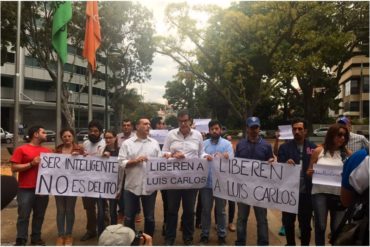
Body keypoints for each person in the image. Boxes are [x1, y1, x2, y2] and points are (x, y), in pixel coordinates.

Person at [162, 109, 205, 246]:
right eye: (181, 121)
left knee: (189, 211)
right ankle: (170, 238)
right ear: (178, 121)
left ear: (190, 121)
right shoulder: (171, 134)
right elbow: (163, 153)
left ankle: (188, 238)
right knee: (171, 210)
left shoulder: (198, 135)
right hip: (173, 180)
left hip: (191, 182)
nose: (183, 123)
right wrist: (173, 155)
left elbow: (201, 154)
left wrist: (206, 157)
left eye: (186, 120)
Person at [306, 123, 352, 245]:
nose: (342, 138)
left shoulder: (346, 154)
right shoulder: (318, 151)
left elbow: (353, 173)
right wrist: (311, 172)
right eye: (339, 135)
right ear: (331, 135)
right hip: (319, 193)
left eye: (345, 136)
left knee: (337, 228)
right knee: (320, 226)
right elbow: (308, 171)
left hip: (339, 195)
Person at [118, 117, 161, 237]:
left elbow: (160, 162)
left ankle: (148, 241)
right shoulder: (127, 144)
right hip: (131, 186)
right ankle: (132, 241)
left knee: (150, 217)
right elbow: (121, 162)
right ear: (137, 127)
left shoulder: (154, 143)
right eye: (145, 124)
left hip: (149, 187)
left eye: (149, 124)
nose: (148, 126)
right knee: (129, 217)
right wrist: (135, 161)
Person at [234, 117, 274, 246]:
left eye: (256, 127)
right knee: (241, 218)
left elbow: (271, 162)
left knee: (262, 219)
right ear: (247, 128)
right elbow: (235, 165)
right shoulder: (240, 145)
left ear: (259, 128)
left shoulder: (267, 146)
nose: (254, 130)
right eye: (251, 127)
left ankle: (263, 243)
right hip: (243, 188)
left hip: (260, 189)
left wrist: (272, 162)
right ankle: (240, 242)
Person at [277, 118, 317, 245]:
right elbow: (279, 165)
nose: (297, 131)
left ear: (305, 131)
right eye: (294, 129)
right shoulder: (284, 147)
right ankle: (290, 244)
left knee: (305, 225)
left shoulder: (314, 148)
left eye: (300, 129)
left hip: (306, 193)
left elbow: (319, 167)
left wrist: (314, 170)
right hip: (289, 193)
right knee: (288, 223)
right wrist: (285, 163)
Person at [10, 125, 51, 246]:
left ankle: (36, 238)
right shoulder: (21, 149)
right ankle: (21, 239)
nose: (46, 134)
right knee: (23, 215)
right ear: (36, 134)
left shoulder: (48, 151)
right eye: (43, 132)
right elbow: (14, 167)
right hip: (25, 189)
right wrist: (31, 164)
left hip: (43, 189)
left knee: (39, 215)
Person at [199, 120, 233, 245]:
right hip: (206, 184)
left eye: (217, 128)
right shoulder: (203, 144)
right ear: (209, 130)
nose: (214, 131)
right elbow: (199, 156)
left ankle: (222, 236)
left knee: (221, 211)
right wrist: (204, 156)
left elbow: (233, 161)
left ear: (220, 130)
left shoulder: (227, 144)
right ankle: (204, 235)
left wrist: (226, 157)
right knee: (206, 210)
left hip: (221, 184)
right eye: (212, 129)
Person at [54, 128, 84, 246]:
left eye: (69, 136)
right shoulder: (57, 150)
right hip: (58, 185)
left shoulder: (79, 149)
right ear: (61, 137)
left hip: (73, 185)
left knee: (70, 210)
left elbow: (87, 165)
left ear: (73, 137)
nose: (67, 138)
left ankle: (69, 235)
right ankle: (61, 235)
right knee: (60, 210)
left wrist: (82, 156)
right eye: (65, 136)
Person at [80, 120, 106, 241]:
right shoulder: (85, 143)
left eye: (96, 131)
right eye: (91, 130)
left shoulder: (106, 143)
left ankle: (105, 230)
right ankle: (91, 230)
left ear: (100, 132)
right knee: (89, 208)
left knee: (103, 209)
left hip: (102, 181)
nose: (93, 133)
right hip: (87, 181)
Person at [97, 130, 120, 237]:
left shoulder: (120, 151)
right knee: (101, 212)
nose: (108, 140)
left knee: (112, 211)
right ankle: (101, 234)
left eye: (110, 137)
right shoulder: (100, 149)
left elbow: (122, 167)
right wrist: (101, 155)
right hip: (101, 186)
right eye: (106, 137)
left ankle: (113, 233)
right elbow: (94, 163)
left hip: (113, 186)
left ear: (115, 138)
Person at [150, 117, 168, 236]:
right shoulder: (149, 138)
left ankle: (166, 224)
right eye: (159, 123)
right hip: (152, 174)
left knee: (167, 201)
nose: (161, 126)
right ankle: (150, 224)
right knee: (150, 201)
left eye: (163, 124)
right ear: (154, 125)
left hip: (166, 175)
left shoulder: (169, 137)